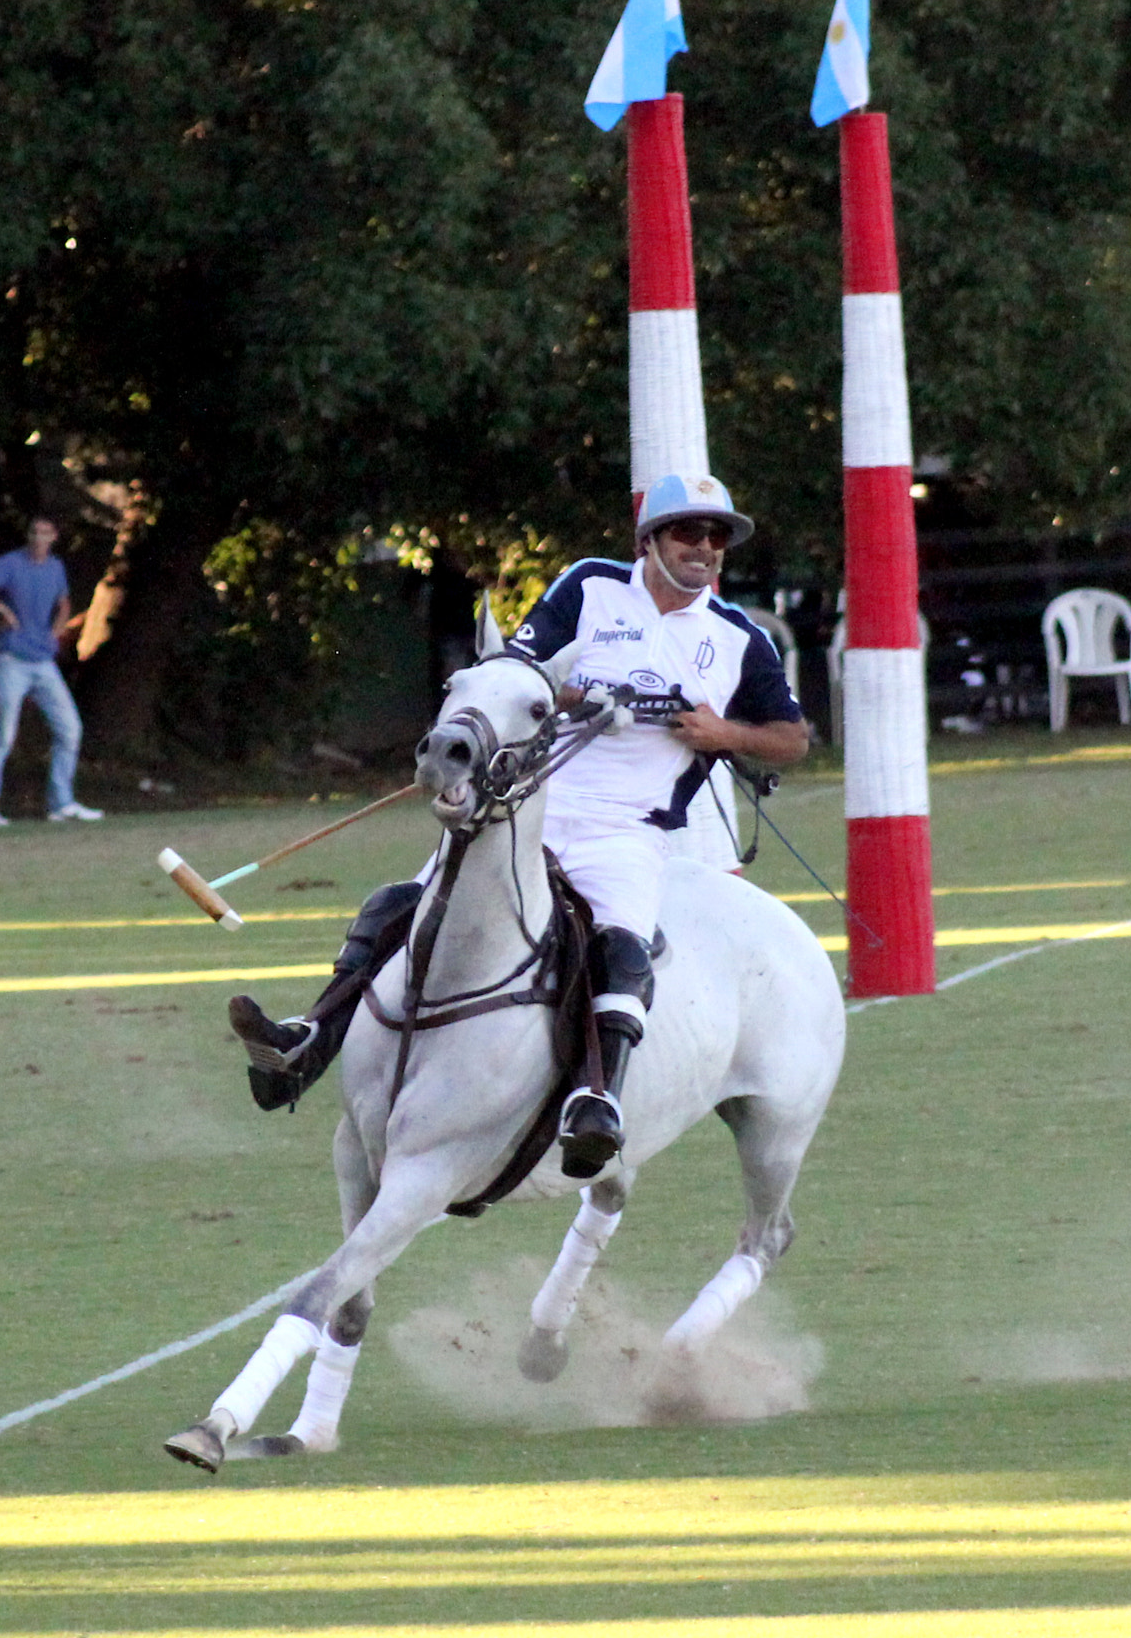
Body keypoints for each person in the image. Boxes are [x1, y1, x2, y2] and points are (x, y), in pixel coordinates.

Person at [228, 473, 809, 1178]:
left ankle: (598, 1099)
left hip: (629, 826)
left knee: (621, 944)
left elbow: (790, 738)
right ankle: (305, 1043)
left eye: (718, 537)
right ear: (649, 541)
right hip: (536, 799)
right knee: (401, 903)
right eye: (689, 532)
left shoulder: (737, 637)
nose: (706, 548)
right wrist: (588, 693)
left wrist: (723, 733)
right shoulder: (590, 585)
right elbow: (514, 669)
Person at [0, 517, 103, 826]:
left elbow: (64, 602)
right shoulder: (9, 563)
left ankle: (61, 805)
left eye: (45, 533)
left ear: (54, 537)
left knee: (70, 728)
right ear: (28, 535)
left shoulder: (55, 567)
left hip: (42, 662)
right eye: (34, 533)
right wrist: (3, 611)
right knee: (3, 735)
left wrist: (56, 632)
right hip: (11, 659)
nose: (39, 538)